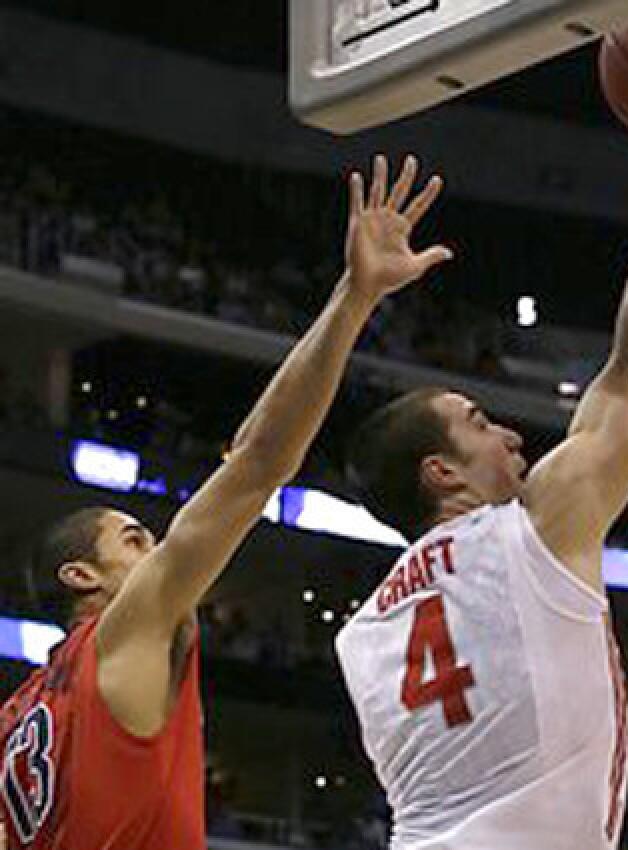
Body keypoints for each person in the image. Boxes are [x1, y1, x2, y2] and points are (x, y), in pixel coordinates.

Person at [335, 85, 628, 850]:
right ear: (442, 473)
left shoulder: (365, 632)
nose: (507, 433)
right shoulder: (530, 531)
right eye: (477, 423)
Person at [0, 153, 453, 849]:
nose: (157, 549)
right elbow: (258, 463)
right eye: (133, 540)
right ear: (80, 576)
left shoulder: (14, 722)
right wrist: (354, 297)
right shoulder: (126, 630)